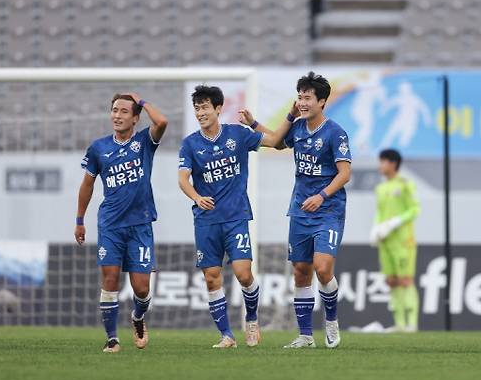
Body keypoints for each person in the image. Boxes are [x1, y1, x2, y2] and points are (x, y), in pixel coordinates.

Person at [240, 71, 352, 348]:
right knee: (301, 271)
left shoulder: (336, 132)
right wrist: (255, 123)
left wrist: (322, 196)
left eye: (308, 97)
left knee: (323, 268)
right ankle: (305, 336)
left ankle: (332, 322)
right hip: (300, 210)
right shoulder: (298, 127)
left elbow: (345, 173)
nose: (302, 102)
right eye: (299, 97)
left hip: (328, 209)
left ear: (322, 101)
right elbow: (276, 142)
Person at [178, 85, 288, 348]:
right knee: (211, 277)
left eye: (204, 107)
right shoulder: (190, 144)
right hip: (206, 220)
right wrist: (196, 197)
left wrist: (256, 123)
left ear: (218, 108)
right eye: (196, 108)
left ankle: (251, 319)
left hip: (236, 216)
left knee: (243, 273)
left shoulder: (238, 134)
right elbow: (183, 179)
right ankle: (227, 335)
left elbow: (276, 142)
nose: (200, 112)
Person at [75, 92, 168, 353]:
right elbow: (87, 185)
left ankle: (138, 318)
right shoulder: (98, 148)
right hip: (110, 224)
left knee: (141, 288)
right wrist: (80, 219)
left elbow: (162, 122)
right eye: (114, 110)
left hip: (140, 225)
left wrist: (144, 101)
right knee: (111, 278)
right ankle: (112, 338)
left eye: (124, 111)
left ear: (136, 118)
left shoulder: (144, 142)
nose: (117, 115)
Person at [370, 149, 420, 332]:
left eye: (383, 161)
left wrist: (395, 222)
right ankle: (399, 323)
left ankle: (412, 323)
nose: (380, 166)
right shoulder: (380, 188)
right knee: (391, 281)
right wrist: (375, 228)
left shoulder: (406, 184)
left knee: (406, 280)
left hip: (403, 241)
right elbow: (380, 212)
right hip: (386, 241)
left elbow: (414, 209)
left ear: (393, 163)